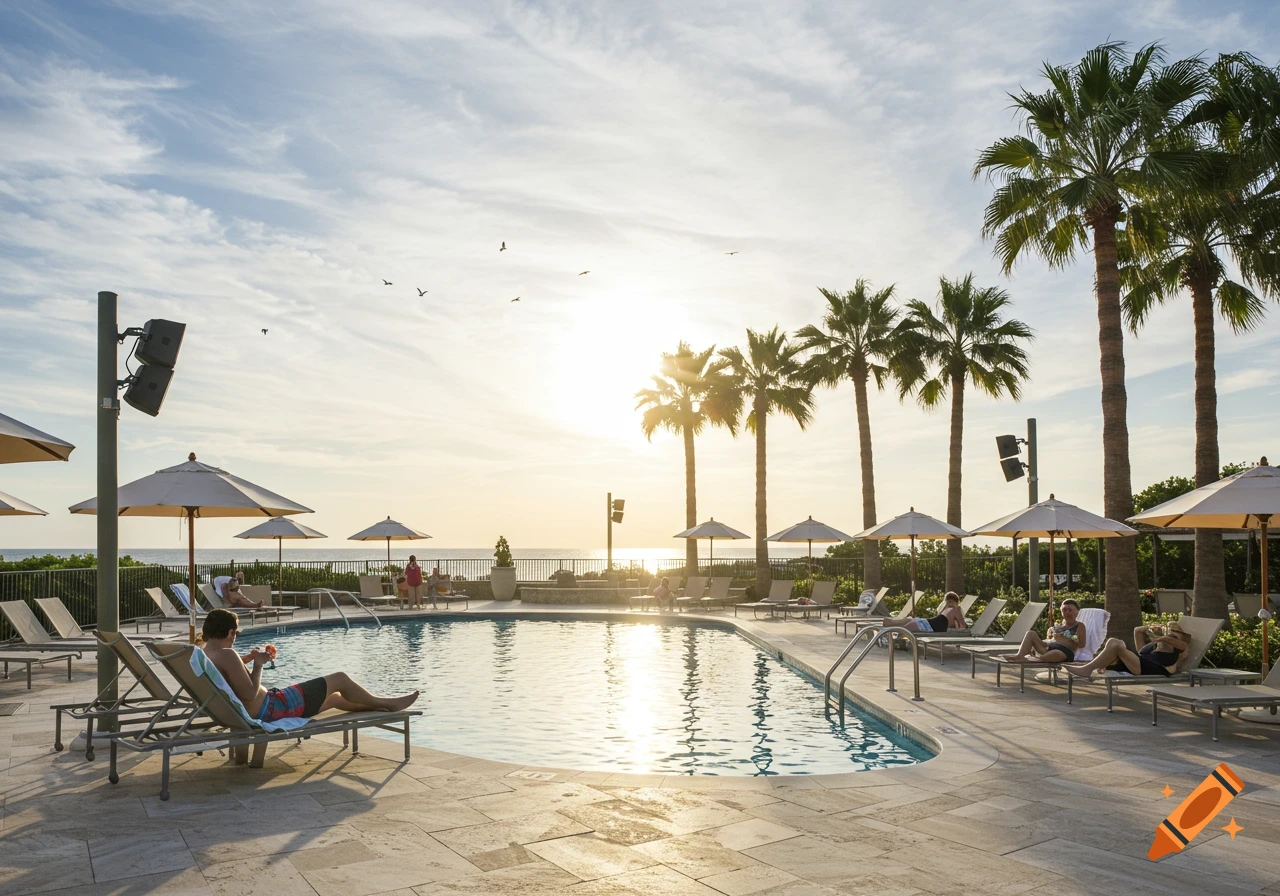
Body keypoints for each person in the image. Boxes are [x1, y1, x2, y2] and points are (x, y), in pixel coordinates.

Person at [200, 609, 419, 722]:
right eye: (235, 633)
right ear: (229, 632)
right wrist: (258, 665)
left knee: (334, 699)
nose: (235, 637)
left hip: (265, 710)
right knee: (340, 678)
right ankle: (387, 703)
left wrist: (247, 659)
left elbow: (230, 678)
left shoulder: (206, 652)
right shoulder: (227, 653)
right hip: (274, 708)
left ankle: (379, 705)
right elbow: (249, 693)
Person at [1065, 621, 1190, 679]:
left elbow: (1183, 645)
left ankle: (1086, 669)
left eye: (1171, 633)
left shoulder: (1178, 649)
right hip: (1140, 664)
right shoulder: (1152, 647)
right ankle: (1089, 667)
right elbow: (1137, 630)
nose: (1167, 635)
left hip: (1152, 669)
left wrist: (1164, 637)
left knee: (1115, 643)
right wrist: (1150, 627)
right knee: (1116, 643)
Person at [1003, 598, 1086, 663]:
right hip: (1048, 648)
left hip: (1064, 653)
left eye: (1070, 610)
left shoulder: (1079, 625)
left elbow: (1082, 645)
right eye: (1064, 610)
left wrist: (1064, 640)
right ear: (1061, 612)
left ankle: (1031, 660)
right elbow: (1049, 640)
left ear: (1077, 612)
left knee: (1056, 653)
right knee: (1031, 633)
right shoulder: (1058, 625)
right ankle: (1019, 656)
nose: (1067, 612)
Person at [885, 591, 965, 634]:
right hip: (928, 623)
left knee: (903, 628)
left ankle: (886, 635)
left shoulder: (957, 609)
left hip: (929, 626)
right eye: (948, 602)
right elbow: (939, 616)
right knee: (903, 621)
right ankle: (886, 624)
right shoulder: (945, 609)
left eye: (951, 602)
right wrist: (945, 607)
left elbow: (961, 627)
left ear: (956, 602)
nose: (950, 604)